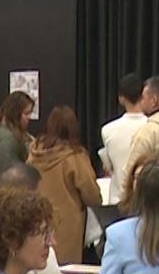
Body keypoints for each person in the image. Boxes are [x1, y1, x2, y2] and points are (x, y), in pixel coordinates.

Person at [26, 105, 102, 263]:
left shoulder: (34, 154)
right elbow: (92, 196)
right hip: (68, 225)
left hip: (38, 220)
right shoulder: (75, 156)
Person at [100, 72, 149, 198]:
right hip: (146, 199)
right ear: (143, 95)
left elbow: (108, 167)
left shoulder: (107, 130)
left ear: (121, 98)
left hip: (118, 198)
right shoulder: (153, 127)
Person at [0, 91, 34, 187]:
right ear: (15, 113)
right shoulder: (6, 139)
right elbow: (9, 178)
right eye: (26, 113)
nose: (29, 117)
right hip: (13, 195)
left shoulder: (12, 133)